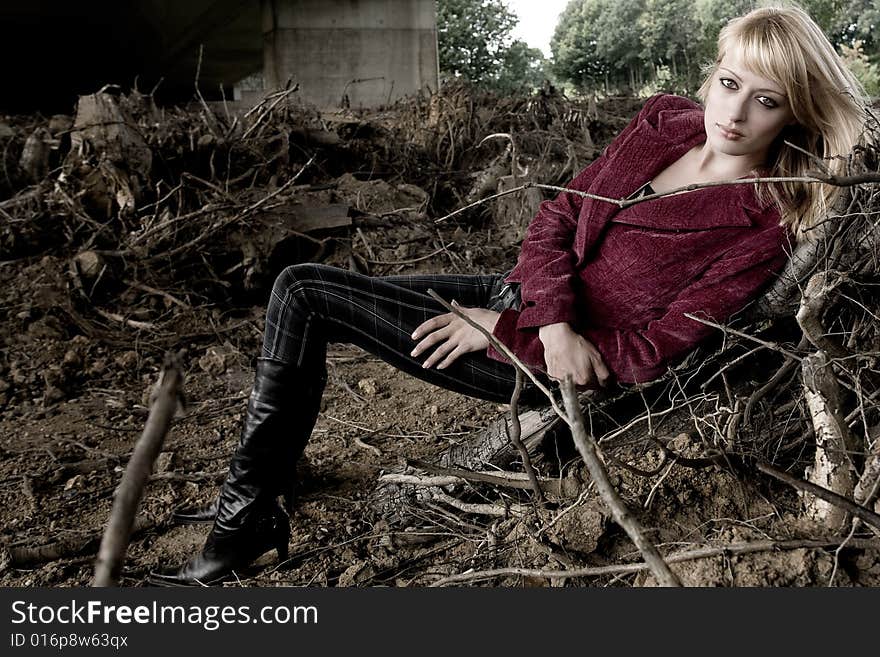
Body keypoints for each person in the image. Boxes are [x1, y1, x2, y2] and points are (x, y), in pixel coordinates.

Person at [149, 4, 868, 586]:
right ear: (713, 76)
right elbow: (558, 213)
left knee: (307, 293)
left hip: (545, 364)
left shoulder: (761, 219)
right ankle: (269, 484)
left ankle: (239, 528)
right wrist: (532, 310)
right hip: (522, 299)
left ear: (795, 115)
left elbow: (655, 351)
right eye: (731, 83)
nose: (735, 114)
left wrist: (523, 335)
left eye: (766, 101)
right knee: (299, 289)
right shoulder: (664, 121)